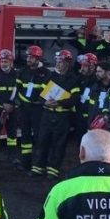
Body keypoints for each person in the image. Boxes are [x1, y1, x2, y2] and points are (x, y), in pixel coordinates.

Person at [32, 50, 80, 180]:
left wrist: (59, 102)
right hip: (47, 114)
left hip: (63, 117)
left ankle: (53, 170)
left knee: (59, 145)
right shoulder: (50, 76)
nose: (58, 64)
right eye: (57, 62)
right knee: (42, 141)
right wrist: (45, 102)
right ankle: (38, 167)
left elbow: (74, 99)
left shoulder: (74, 80)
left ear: (68, 63)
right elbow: (40, 95)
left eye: (61, 62)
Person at [16, 45, 50, 172]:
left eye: (31, 57)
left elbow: (48, 92)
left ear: (38, 58)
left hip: (38, 110)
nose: (28, 59)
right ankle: (25, 163)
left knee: (39, 137)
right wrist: (19, 101)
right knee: (25, 137)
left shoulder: (46, 73)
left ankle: (39, 164)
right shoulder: (22, 71)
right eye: (28, 57)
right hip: (24, 109)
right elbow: (18, 88)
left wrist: (38, 102)